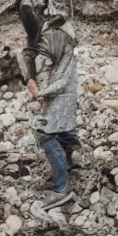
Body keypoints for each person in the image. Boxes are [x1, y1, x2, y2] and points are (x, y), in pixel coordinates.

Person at [26, 15, 80, 208]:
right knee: (62, 132)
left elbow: (62, 81)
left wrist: (42, 92)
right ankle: (71, 163)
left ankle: (61, 187)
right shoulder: (63, 43)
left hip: (63, 97)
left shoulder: (64, 50)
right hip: (63, 97)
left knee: (43, 132)